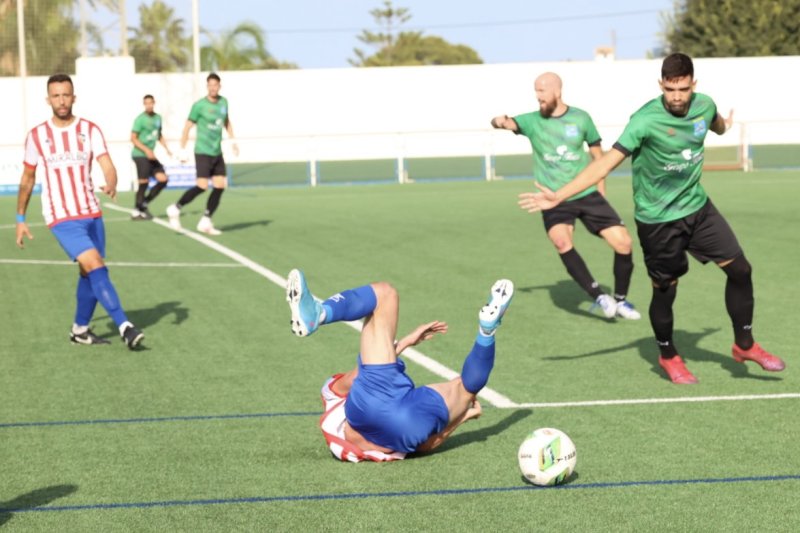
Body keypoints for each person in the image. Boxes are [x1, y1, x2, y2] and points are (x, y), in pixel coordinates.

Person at [518, 53, 784, 383]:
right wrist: (560, 195)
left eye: (683, 89)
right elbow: (605, 163)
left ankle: (744, 344)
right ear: (661, 85)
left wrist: (726, 125)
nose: (676, 96)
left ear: (693, 85)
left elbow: (715, 123)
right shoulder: (644, 120)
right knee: (665, 291)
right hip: (658, 220)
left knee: (741, 269)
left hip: (698, 209)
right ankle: (668, 354)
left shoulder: (704, 105)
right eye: (670, 89)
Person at [286, 268, 513, 461]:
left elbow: (424, 446)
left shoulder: (342, 428)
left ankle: (488, 330)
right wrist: (403, 342)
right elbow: (362, 373)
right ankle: (487, 330)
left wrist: (462, 417)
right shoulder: (331, 391)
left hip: (397, 426)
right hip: (377, 413)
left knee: (466, 390)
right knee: (384, 294)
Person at [492, 72, 640, 320]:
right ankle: (599, 297)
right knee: (561, 241)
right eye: (535, 91)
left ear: (556, 91)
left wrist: (600, 188)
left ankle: (621, 301)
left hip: (587, 193)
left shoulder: (581, 118)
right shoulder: (531, 121)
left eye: (541, 91)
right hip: (553, 197)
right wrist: (499, 121)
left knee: (623, 243)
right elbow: (505, 123)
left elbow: (598, 157)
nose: (537, 96)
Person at [15, 74, 145, 350]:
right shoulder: (37, 136)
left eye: (66, 95)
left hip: (91, 212)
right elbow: (27, 178)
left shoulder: (90, 130)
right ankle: (125, 326)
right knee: (96, 266)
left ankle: (79, 330)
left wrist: (111, 181)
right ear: (48, 99)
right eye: (56, 95)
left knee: (88, 273)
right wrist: (20, 218)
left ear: (74, 97)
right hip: (61, 217)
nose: (61, 101)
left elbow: (107, 164)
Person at [167, 72, 238, 236]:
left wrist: (233, 141)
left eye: (216, 85)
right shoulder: (199, 105)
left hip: (217, 151)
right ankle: (175, 207)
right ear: (207, 87)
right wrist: (182, 149)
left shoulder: (224, 102)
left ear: (219, 86)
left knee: (220, 186)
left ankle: (206, 220)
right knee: (202, 186)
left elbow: (226, 121)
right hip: (202, 151)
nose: (213, 88)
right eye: (210, 85)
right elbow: (187, 127)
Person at [130, 94, 173, 220]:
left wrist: (167, 149)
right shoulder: (140, 119)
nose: (149, 105)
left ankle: (143, 204)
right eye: (146, 103)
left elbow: (159, 135)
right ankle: (136, 210)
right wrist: (146, 150)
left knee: (163, 179)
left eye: (151, 103)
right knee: (144, 182)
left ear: (154, 103)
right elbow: (133, 138)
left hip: (150, 155)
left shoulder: (158, 118)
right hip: (140, 154)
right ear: (144, 104)